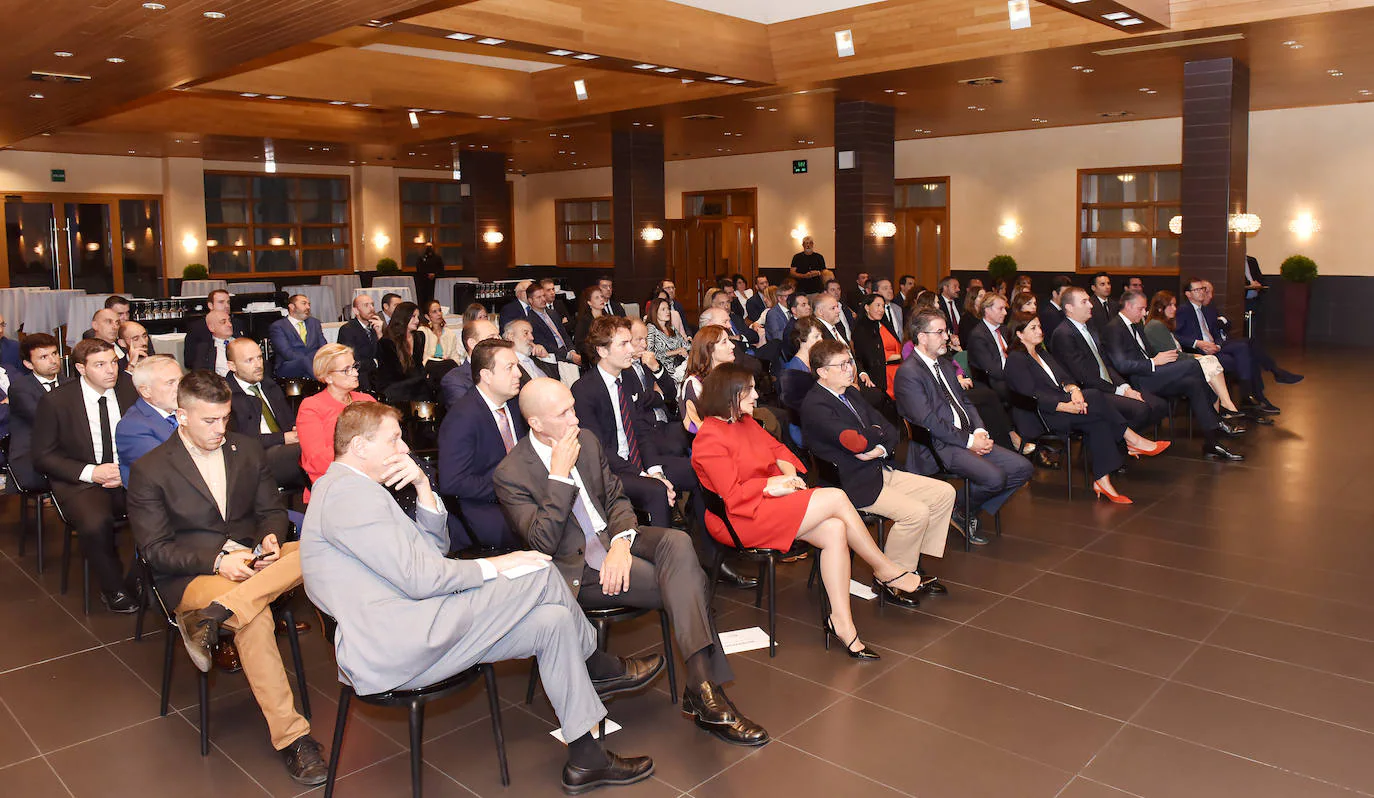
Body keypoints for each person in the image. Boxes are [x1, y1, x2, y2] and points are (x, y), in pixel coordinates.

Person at [304, 402, 656, 793]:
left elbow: (431, 554)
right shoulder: (347, 496)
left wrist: (423, 486)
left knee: (553, 623)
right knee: (540, 571)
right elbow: (424, 579)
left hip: (417, 624)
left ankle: (586, 760)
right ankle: (598, 662)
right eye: (393, 439)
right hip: (398, 645)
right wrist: (501, 564)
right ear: (359, 446)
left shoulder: (354, 489)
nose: (404, 448)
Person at [495, 377, 767, 746]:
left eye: (573, 408)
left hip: (617, 541)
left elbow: (618, 501)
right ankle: (705, 693)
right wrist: (559, 475)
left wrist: (621, 545)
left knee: (678, 542)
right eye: (564, 414)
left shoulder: (587, 441)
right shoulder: (511, 473)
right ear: (537, 424)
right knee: (688, 582)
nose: (575, 419)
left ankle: (701, 689)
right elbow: (543, 542)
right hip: (578, 567)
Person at [126, 370, 327, 785]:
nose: (221, 430)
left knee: (324, 543)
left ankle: (215, 616)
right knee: (255, 620)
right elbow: (155, 550)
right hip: (193, 574)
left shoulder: (247, 449)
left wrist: (270, 538)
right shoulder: (150, 469)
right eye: (209, 421)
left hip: (252, 563)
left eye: (225, 419)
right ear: (181, 415)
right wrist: (218, 562)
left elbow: (270, 509)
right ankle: (293, 738)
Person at [691, 364, 929, 659]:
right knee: (837, 498)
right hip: (739, 518)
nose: (756, 395)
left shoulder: (744, 422)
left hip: (765, 503)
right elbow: (732, 497)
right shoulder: (709, 439)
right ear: (729, 395)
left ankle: (842, 623)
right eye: (749, 390)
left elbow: (779, 451)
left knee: (835, 530)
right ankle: (884, 568)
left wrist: (787, 475)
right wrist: (770, 485)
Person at [801, 340, 955, 600]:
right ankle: (891, 578)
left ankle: (909, 566)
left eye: (850, 362)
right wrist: (874, 435)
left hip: (877, 467)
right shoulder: (816, 405)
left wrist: (879, 446)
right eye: (842, 365)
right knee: (916, 513)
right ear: (822, 372)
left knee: (944, 493)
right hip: (851, 482)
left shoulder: (849, 393)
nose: (850, 369)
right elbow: (857, 442)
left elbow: (891, 429)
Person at [895, 311, 1033, 545]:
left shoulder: (946, 366)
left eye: (945, 331)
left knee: (1022, 468)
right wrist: (969, 442)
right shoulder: (909, 373)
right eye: (939, 332)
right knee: (995, 478)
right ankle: (962, 508)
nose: (946, 337)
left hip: (965, 437)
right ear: (922, 337)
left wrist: (978, 430)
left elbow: (966, 402)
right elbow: (929, 422)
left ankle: (960, 509)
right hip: (939, 445)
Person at [1003, 316, 1168, 505]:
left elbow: (1065, 377)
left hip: (1064, 405)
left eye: (1039, 326)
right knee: (1096, 396)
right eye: (1033, 328)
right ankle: (1132, 439)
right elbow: (1030, 395)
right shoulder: (1016, 359)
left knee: (1099, 422)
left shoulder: (1042, 353)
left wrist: (1074, 392)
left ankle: (1103, 481)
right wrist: (1065, 406)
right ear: (1019, 334)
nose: (1039, 330)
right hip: (1044, 415)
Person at [34, 339, 139, 612]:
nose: (110, 371)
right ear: (81, 368)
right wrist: (93, 472)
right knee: (94, 523)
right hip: (81, 480)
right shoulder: (57, 401)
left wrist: (126, 470)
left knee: (168, 506)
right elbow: (43, 456)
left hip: (128, 473)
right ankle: (112, 588)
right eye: (100, 365)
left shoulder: (130, 388)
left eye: (114, 362)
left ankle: (141, 579)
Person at [571, 316, 704, 530]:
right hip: (610, 470)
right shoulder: (584, 390)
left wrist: (654, 469)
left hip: (637, 461)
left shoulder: (629, 378)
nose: (631, 350)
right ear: (602, 351)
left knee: (698, 469)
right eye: (623, 344)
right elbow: (598, 450)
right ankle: (663, 553)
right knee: (657, 489)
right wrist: (644, 474)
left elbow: (640, 430)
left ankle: (711, 552)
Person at [1101, 290, 1244, 461]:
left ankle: (1212, 443)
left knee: (1193, 383)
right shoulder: (1113, 328)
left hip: (1153, 372)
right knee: (1193, 364)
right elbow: (1121, 365)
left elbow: (1149, 351)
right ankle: (1217, 419)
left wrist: (1163, 358)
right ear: (1128, 306)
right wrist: (1155, 362)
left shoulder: (1136, 324)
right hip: (1140, 379)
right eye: (1141, 308)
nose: (1144, 313)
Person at [438, 339, 526, 551]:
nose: (519, 374)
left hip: (523, 496)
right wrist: (507, 489)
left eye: (517, 366)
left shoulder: (515, 404)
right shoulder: (462, 417)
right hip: (487, 505)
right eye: (510, 368)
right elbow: (453, 481)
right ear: (486, 375)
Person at [1050, 287, 1170, 433]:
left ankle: (1122, 442)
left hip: (1105, 386)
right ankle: (1120, 442)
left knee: (1159, 405)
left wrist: (1125, 387)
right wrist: (1119, 391)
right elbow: (1083, 375)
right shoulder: (1064, 334)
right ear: (1070, 307)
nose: (1091, 305)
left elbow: (1105, 364)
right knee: (1141, 409)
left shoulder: (1089, 328)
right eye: (1084, 302)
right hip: (1088, 392)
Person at [1175, 277, 1301, 414]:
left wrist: (1216, 344)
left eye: (1203, 289)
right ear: (1188, 294)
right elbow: (1176, 335)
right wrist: (1198, 343)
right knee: (1246, 351)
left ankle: (1254, 396)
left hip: (1216, 346)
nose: (1202, 292)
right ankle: (1258, 393)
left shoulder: (1207, 310)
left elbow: (1216, 331)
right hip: (1200, 350)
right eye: (1197, 290)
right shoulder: (1184, 310)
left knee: (1248, 347)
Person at [1144, 291, 1245, 421]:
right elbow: (1172, 355)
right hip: (1168, 369)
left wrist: (1195, 356)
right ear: (1159, 308)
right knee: (1211, 366)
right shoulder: (1156, 326)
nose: (1175, 309)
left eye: (1175, 305)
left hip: (1176, 364)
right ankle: (1224, 410)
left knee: (1211, 374)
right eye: (1170, 305)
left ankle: (1221, 415)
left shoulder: (1163, 324)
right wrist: (1195, 356)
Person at [226, 339, 306, 489]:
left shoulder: (269, 386)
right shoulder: (226, 395)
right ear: (232, 366)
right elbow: (239, 441)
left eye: (259, 357)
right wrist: (283, 438)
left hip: (285, 452)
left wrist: (296, 430)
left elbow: (288, 422)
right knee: (308, 451)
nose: (258, 365)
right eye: (249, 360)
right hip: (254, 459)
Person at [296, 344, 376, 490]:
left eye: (354, 366)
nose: (355, 373)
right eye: (346, 370)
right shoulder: (312, 407)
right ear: (328, 377)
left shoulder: (367, 400)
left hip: (373, 476)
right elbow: (316, 460)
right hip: (332, 484)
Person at [6, 334, 68, 493]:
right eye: (44, 357)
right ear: (28, 364)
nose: (53, 360)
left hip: (66, 450)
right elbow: (45, 421)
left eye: (54, 353)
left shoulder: (70, 383)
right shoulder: (20, 388)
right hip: (32, 455)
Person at [114, 355, 184, 485]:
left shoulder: (189, 411)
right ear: (146, 391)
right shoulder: (132, 426)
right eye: (170, 383)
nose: (179, 388)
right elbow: (169, 471)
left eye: (181, 381)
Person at [680, 325, 734, 434]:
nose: (732, 346)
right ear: (709, 350)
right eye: (724, 342)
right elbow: (701, 428)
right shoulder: (694, 384)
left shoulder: (727, 374)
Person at [375, 301, 430, 402]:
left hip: (414, 383)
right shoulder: (387, 342)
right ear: (403, 317)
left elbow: (418, 365)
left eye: (418, 317)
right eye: (413, 316)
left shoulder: (419, 336)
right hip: (394, 386)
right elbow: (393, 374)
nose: (417, 320)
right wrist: (419, 380)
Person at [439, 319, 500, 408]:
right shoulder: (455, 380)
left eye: (498, 336)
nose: (499, 342)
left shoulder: (508, 370)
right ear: (472, 343)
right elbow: (468, 416)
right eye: (491, 338)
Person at [851, 294, 902, 399]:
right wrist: (902, 356)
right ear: (867, 307)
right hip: (880, 376)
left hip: (898, 371)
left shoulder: (885, 324)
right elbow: (870, 357)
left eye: (883, 306)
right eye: (877, 305)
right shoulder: (861, 330)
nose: (881, 309)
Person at [183, 290, 247, 369]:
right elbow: (189, 361)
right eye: (221, 302)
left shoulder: (237, 323)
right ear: (210, 305)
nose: (226, 306)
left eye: (228, 302)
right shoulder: (197, 328)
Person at [268, 294, 326, 379]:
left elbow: (323, 346)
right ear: (292, 306)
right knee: (304, 361)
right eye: (304, 303)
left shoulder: (314, 323)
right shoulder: (278, 326)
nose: (308, 307)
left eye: (309, 304)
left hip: (313, 364)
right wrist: (311, 361)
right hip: (288, 365)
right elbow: (286, 353)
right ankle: (325, 382)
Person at [337, 293, 384, 392]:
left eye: (372, 304)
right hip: (360, 375)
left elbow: (387, 355)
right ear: (355, 310)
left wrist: (380, 334)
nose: (371, 308)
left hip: (377, 375)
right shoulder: (347, 329)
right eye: (366, 305)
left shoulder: (377, 327)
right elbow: (352, 361)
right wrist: (376, 363)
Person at [528, 283, 582, 366]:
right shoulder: (530, 321)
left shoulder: (552, 313)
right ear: (530, 301)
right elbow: (545, 345)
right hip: (554, 359)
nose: (543, 299)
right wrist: (569, 356)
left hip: (569, 353)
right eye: (539, 297)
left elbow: (564, 335)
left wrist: (572, 351)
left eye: (543, 296)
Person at [644, 297, 689, 382]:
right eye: (663, 309)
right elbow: (650, 354)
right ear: (655, 312)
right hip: (663, 372)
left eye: (668, 308)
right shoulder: (651, 328)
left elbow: (685, 345)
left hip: (678, 368)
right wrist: (675, 352)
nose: (668, 311)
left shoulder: (671, 327)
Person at [418, 299, 461, 387]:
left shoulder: (450, 333)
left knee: (450, 366)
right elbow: (421, 357)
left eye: (440, 310)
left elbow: (455, 357)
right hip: (430, 367)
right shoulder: (423, 331)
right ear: (427, 316)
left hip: (446, 366)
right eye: (434, 312)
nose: (439, 314)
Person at [187, 310, 235, 376]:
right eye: (223, 322)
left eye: (229, 320)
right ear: (211, 328)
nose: (230, 325)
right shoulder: (205, 349)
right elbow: (200, 376)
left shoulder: (242, 343)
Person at [574, 286, 609, 357]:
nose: (601, 299)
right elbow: (580, 345)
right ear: (589, 303)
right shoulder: (584, 321)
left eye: (601, 296)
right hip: (593, 355)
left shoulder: (609, 317)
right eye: (597, 298)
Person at [1039, 276, 1072, 342]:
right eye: (1064, 294)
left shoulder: (1062, 309)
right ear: (1055, 294)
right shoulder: (1049, 313)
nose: (1067, 297)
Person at [935, 277, 963, 349]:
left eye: (958, 287)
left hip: (961, 345)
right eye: (955, 286)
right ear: (945, 287)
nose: (958, 289)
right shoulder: (937, 303)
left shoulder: (960, 303)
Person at [414, 243, 443, 309]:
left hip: (435, 282)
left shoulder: (437, 258)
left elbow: (441, 269)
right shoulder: (421, 258)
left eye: (430, 247)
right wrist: (427, 275)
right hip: (423, 282)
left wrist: (435, 274)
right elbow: (419, 269)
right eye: (427, 247)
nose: (429, 248)